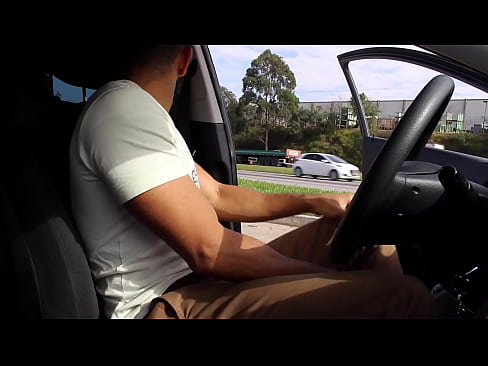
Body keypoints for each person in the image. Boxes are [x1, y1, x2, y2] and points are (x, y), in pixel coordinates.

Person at [69, 45, 436, 319]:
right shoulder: (122, 110)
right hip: (167, 303)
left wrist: (313, 199)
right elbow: (210, 251)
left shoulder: (148, 117)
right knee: (406, 297)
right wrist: (323, 275)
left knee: (363, 231)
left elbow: (216, 193)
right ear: (185, 60)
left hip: (197, 286)